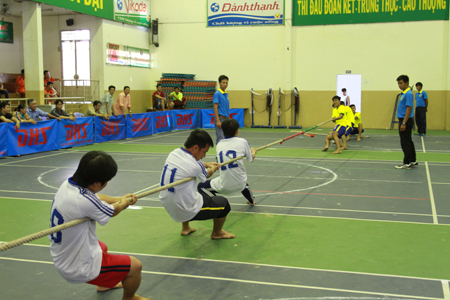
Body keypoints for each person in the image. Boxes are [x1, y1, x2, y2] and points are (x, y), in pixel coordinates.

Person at [48, 151, 148, 300]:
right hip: (78, 266)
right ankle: (129, 298)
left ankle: (105, 283)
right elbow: (112, 211)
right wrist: (124, 203)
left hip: (63, 254)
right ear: (96, 183)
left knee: (102, 247)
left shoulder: (68, 185)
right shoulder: (83, 200)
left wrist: (119, 198)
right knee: (135, 266)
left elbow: (96, 197)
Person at [159, 129, 235, 239]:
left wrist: (206, 164)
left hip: (167, 202)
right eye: (204, 152)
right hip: (182, 209)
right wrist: (213, 167)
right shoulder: (194, 165)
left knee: (192, 193)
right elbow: (207, 174)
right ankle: (217, 233)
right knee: (224, 204)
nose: (204, 156)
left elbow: (196, 162)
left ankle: (186, 228)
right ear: (195, 148)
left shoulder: (174, 153)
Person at [197, 119, 257, 206]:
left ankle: (216, 203)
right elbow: (250, 159)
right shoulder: (243, 141)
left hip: (224, 186)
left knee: (201, 186)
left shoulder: (220, 144)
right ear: (237, 131)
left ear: (222, 131)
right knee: (242, 181)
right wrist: (253, 151)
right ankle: (252, 201)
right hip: (240, 184)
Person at [395, 75, 417, 169]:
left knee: (405, 142)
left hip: (405, 120)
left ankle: (406, 162)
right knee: (408, 141)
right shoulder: (404, 93)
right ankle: (412, 160)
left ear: (406, 83)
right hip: (404, 120)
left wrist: (403, 123)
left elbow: (409, 109)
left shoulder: (408, 94)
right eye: (398, 83)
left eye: (401, 83)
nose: (399, 85)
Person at [213, 75, 230, 145]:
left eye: (226, 83)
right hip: (220, 118)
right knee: (220, 138)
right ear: (219, 83)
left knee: (227, 138)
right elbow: (215, 107)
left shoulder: (226, 94)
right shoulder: (217, 94)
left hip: (226, 119)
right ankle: (219, 155)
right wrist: (218, 121)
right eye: (223, 82)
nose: (225, 84)